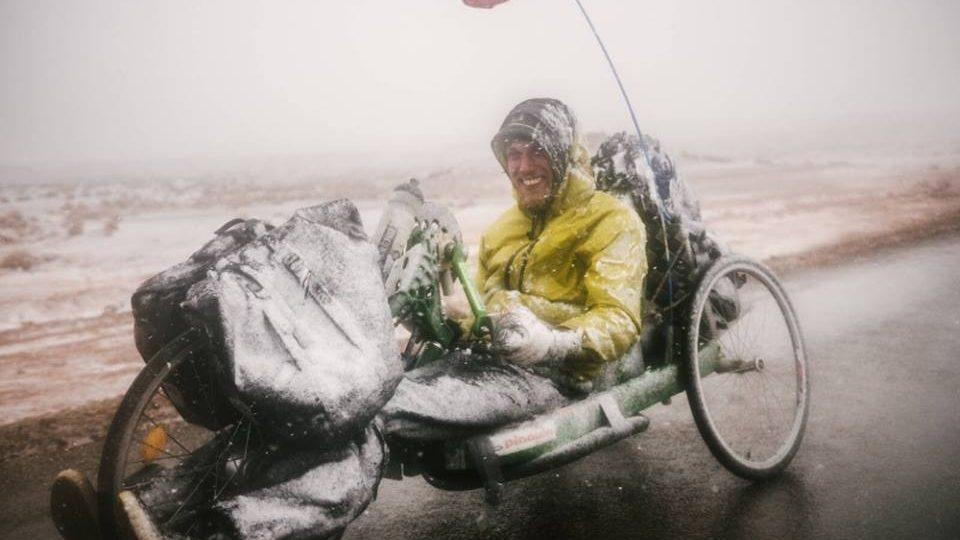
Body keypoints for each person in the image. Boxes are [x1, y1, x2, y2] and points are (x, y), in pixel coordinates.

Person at [50, 97, 647, 539]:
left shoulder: (612, 222)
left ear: (563, 154)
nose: (522, 166)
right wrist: (450, 304)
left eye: (535, 151)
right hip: (474, 365)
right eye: (512, 154)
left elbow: (619, 323)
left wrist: (548, 341)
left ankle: (221, 528)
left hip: (547, 378)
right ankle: (148, 504)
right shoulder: (502, 230)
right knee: (324, 396)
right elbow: (478, 310)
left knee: (368, 416)